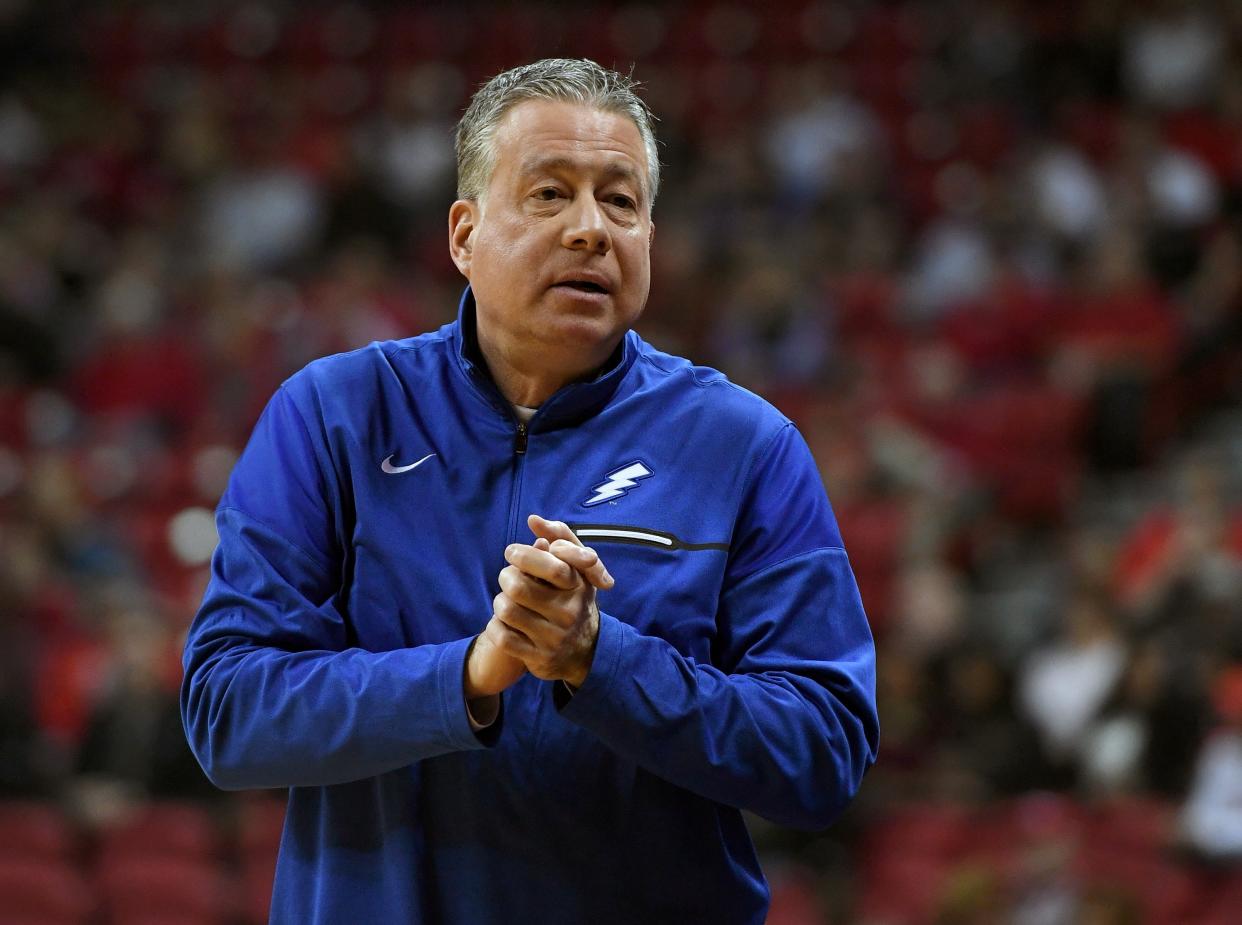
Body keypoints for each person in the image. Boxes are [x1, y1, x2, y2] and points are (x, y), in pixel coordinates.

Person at [181, 58, 878, 925]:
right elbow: (228, 712)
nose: (591, 228)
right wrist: (468, 675)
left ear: (650, 238)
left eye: (620, 201)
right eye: (550, 194)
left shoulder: (745, 445)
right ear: (464, 234)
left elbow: (822, 751)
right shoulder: (333, 415)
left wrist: (598, 658)